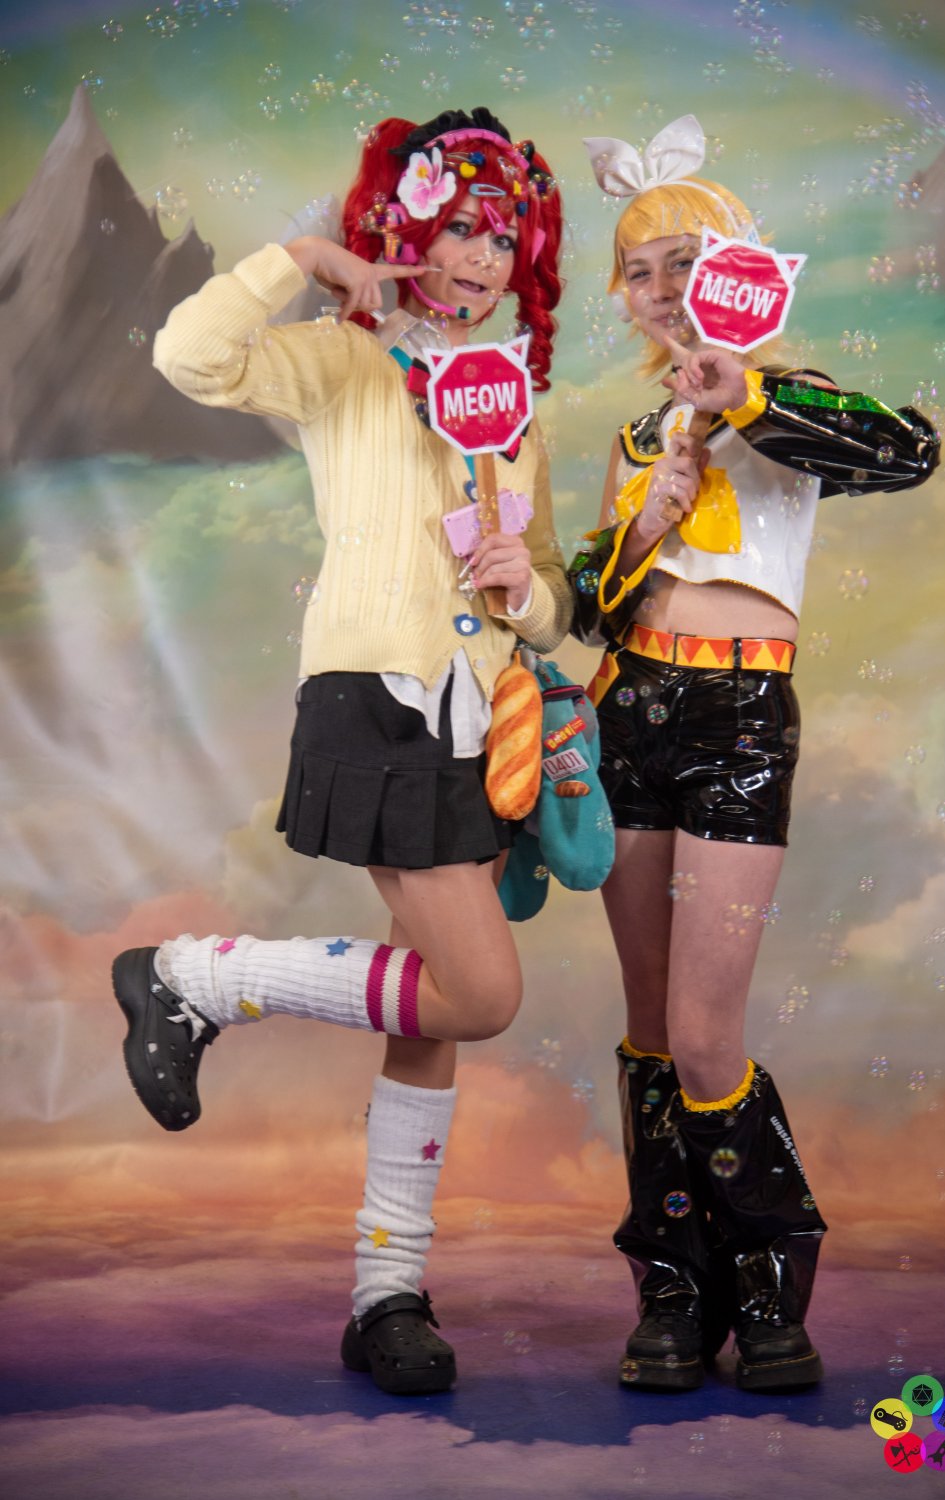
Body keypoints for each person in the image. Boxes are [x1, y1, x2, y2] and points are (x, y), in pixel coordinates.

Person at [112, 106, 570, 1396]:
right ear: (406, 225)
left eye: (503, 238)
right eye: (459, 227)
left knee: (436, 1007)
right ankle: (193, 975)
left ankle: (387, 1296)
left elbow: (548, 596)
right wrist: (305, 262)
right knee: (479, 993)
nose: (478, 258)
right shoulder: (345, 363)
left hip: (480, 719)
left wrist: (522, 589)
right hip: (374, 694)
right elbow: (189, 356)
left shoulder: (514, 411)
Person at [573, 116, 939, 1393]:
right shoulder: (635, 442)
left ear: (737, 268)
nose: (661, 287)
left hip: (738, 719)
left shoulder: (786, 403)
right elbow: (592, 608)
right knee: (645, 1031)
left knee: (701, 1033)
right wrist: (642, 528)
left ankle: (769, 1281)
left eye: (685, 260)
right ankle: (673, 1295)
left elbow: (908, 451)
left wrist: (743, 395)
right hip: (630, 713)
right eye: (639, 269)